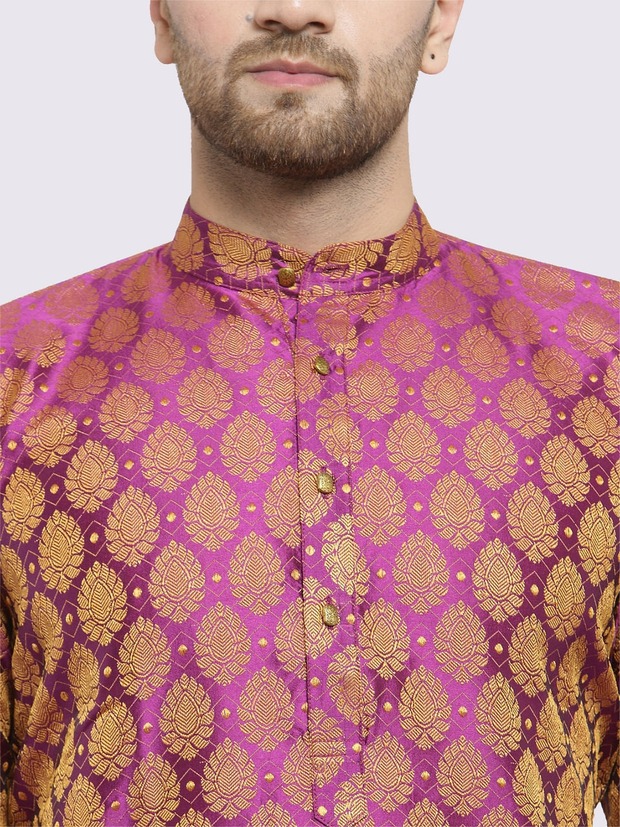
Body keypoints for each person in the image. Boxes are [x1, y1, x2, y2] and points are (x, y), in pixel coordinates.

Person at [1, 1, 618, 825]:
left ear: (440, 19)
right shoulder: (18, 382)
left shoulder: (602, 371)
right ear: (161, 15)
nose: (294, 9)